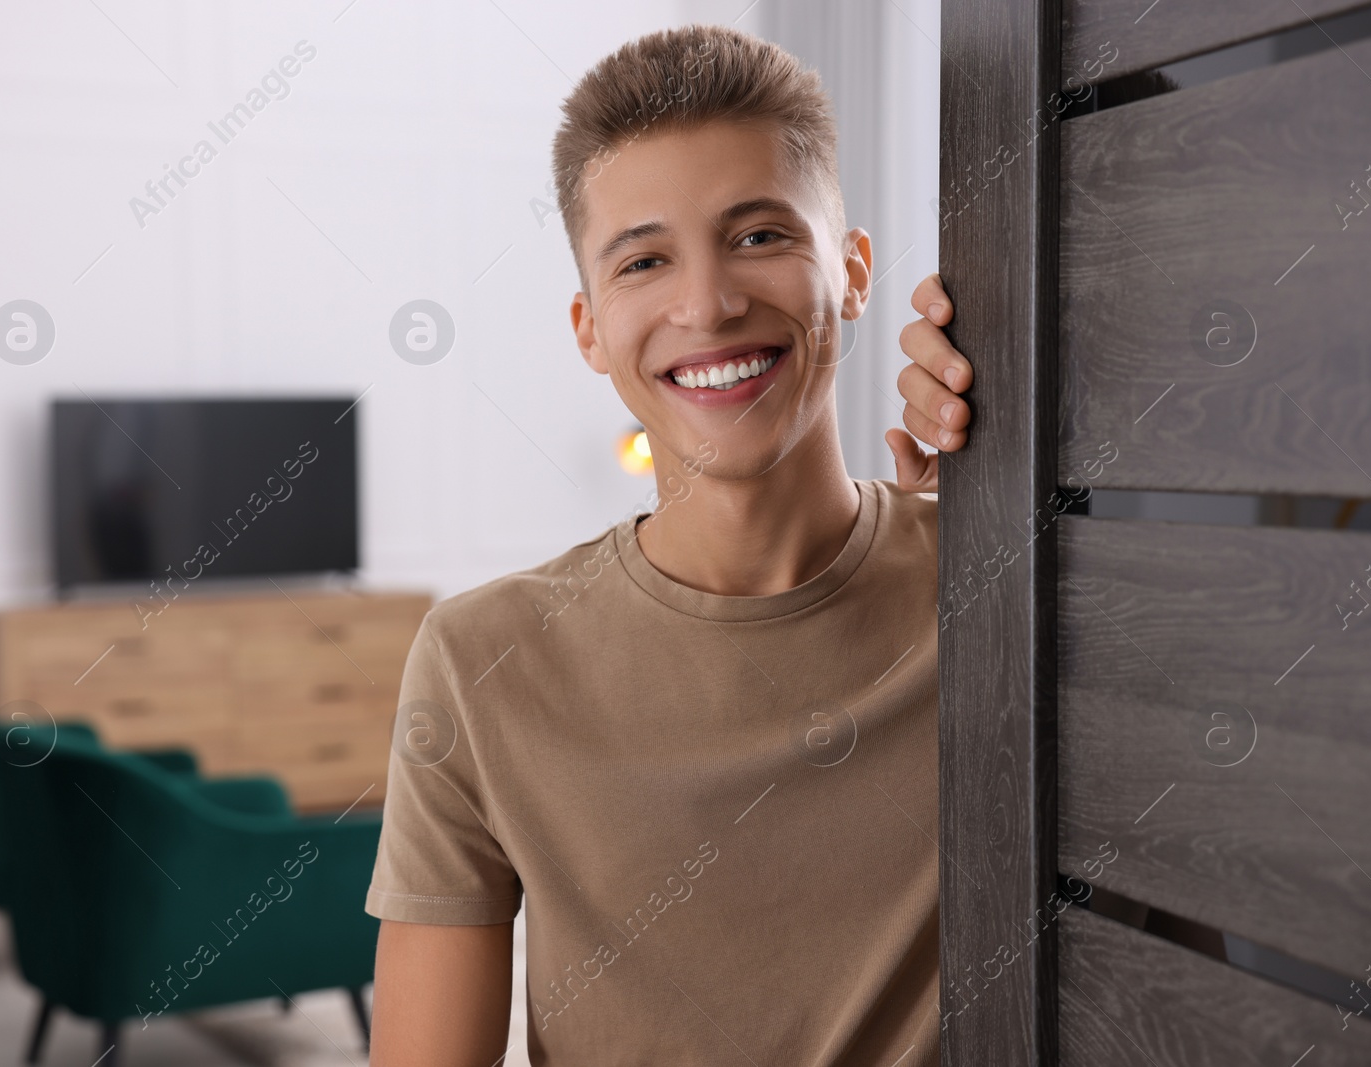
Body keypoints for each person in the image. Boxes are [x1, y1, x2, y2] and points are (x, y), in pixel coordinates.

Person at [364, 23, 970, 1066]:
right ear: (589, 325)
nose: (709, 304)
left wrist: (1015, 511)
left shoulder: (991, 590)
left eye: (759, 236)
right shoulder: (481, 661)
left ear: (854, 271)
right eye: (644, 259)